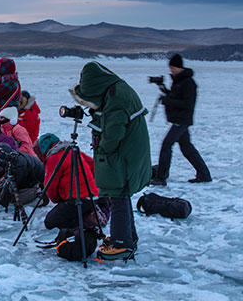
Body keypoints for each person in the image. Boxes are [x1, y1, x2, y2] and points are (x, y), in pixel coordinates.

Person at [70, 61, 151, 261]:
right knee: (121, 193)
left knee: (118, 193)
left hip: (124, 156)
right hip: (130, 153)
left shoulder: (116, 99)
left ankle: (121, 243)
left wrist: (102, 149)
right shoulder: (116, 91)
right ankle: (127, 237)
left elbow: (113, 133)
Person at [151, 54, 212, 186]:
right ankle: (204, 174)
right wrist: (162, 87)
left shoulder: (188, 83)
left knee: (167, 145)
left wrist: (167, 101)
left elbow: (187, 104)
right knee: (187, 148)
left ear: (179, 67)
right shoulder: (178, 81)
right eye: (170, 68)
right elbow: (174, 96)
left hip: (182, 120)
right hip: (179, 119)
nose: (171, 70)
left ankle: (161, 177)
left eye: (173, 68)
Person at [38, 133, 102, 231]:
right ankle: (90, 213)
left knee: (50, 222)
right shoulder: (73, 150)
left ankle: (86, 221)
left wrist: (58, 200)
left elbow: (50, 187)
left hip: (76, 199)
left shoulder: (54, 157)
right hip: (93, 195)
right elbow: (93, 165)